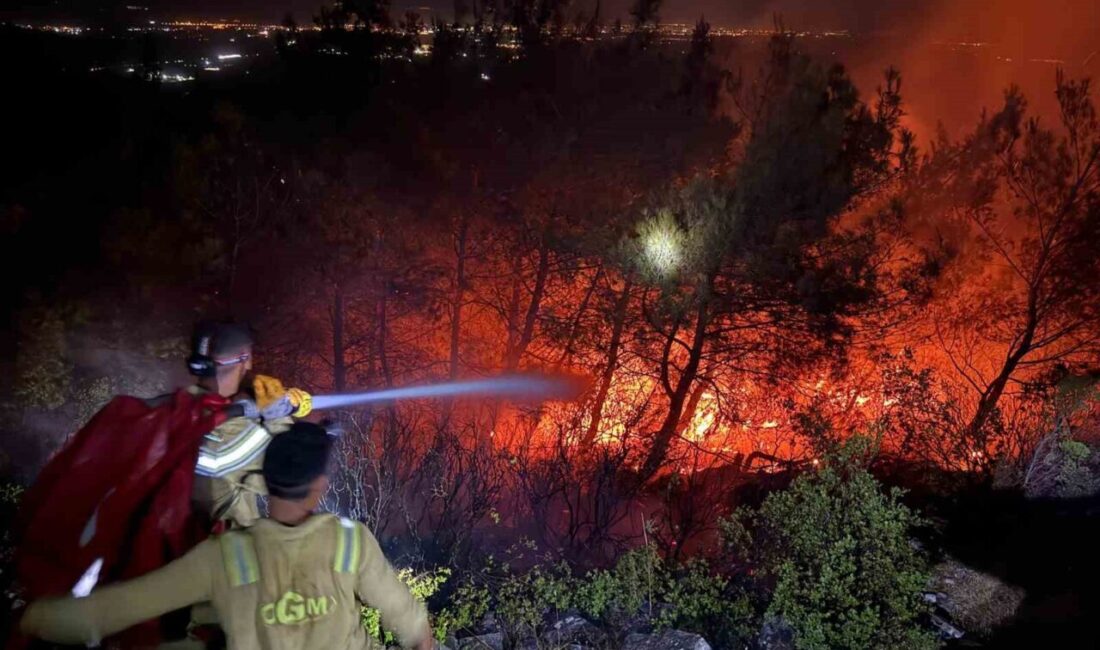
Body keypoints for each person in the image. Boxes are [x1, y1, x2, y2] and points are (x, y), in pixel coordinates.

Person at [20, 422, 434, 650]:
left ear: (263, 482)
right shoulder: (351, 541)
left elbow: (114, 609)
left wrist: (33, 618)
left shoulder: (224, 556)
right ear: (319, 486)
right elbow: (413, 626)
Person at [183, 321, 313, 529]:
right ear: (245, 359)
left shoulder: (178, 409)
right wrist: (279, 417)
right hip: (219, 553)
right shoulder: (234, 433)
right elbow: (298, 473)